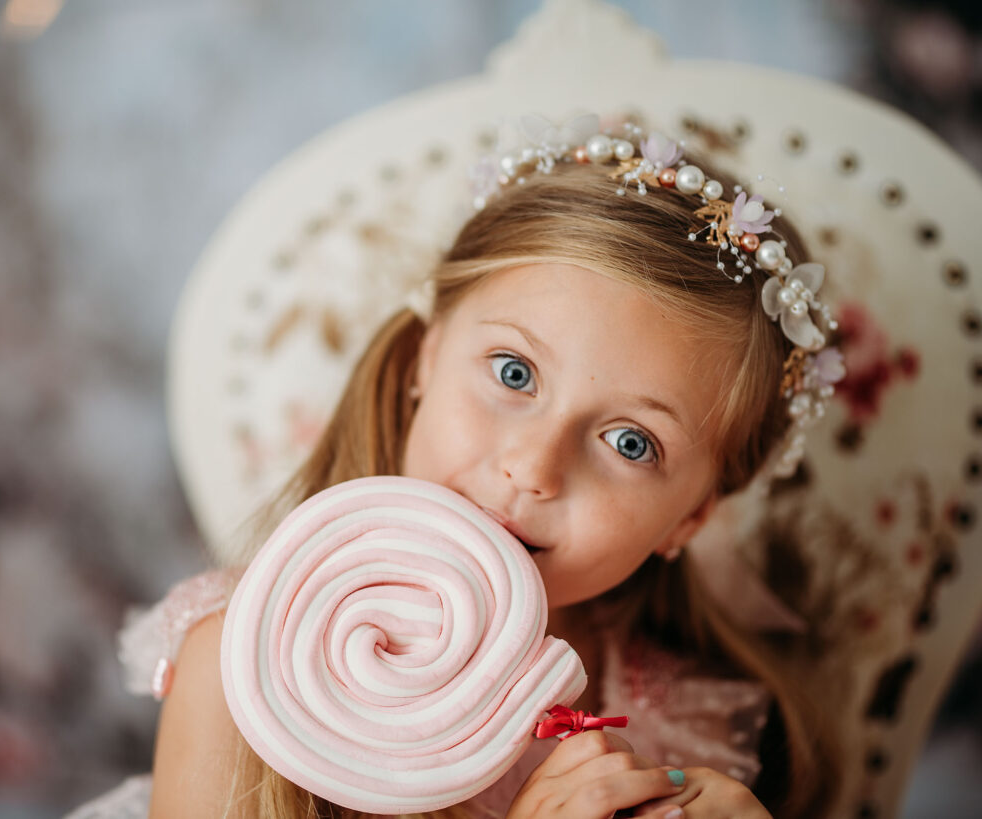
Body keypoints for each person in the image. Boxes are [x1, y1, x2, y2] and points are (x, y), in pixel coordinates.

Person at [81, 119, 845, 818]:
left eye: (631, 442)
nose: (533, 467)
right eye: (514, 373)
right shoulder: (247, 660)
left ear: (690, 517)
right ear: (427, 357)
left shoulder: (694, 722)